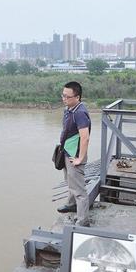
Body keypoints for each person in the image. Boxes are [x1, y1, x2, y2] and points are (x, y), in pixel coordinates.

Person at [56, 81, 92, 227]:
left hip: (75, 156)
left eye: (67, 96)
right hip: (67, 152)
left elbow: (85, 137)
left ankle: (83, 221)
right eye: (63, 95)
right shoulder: (70, 109)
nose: (64, 99)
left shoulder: (80, 113)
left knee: (79, 190)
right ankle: (71, 204)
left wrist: (80, 159)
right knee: (69, 181)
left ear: (77, 97)